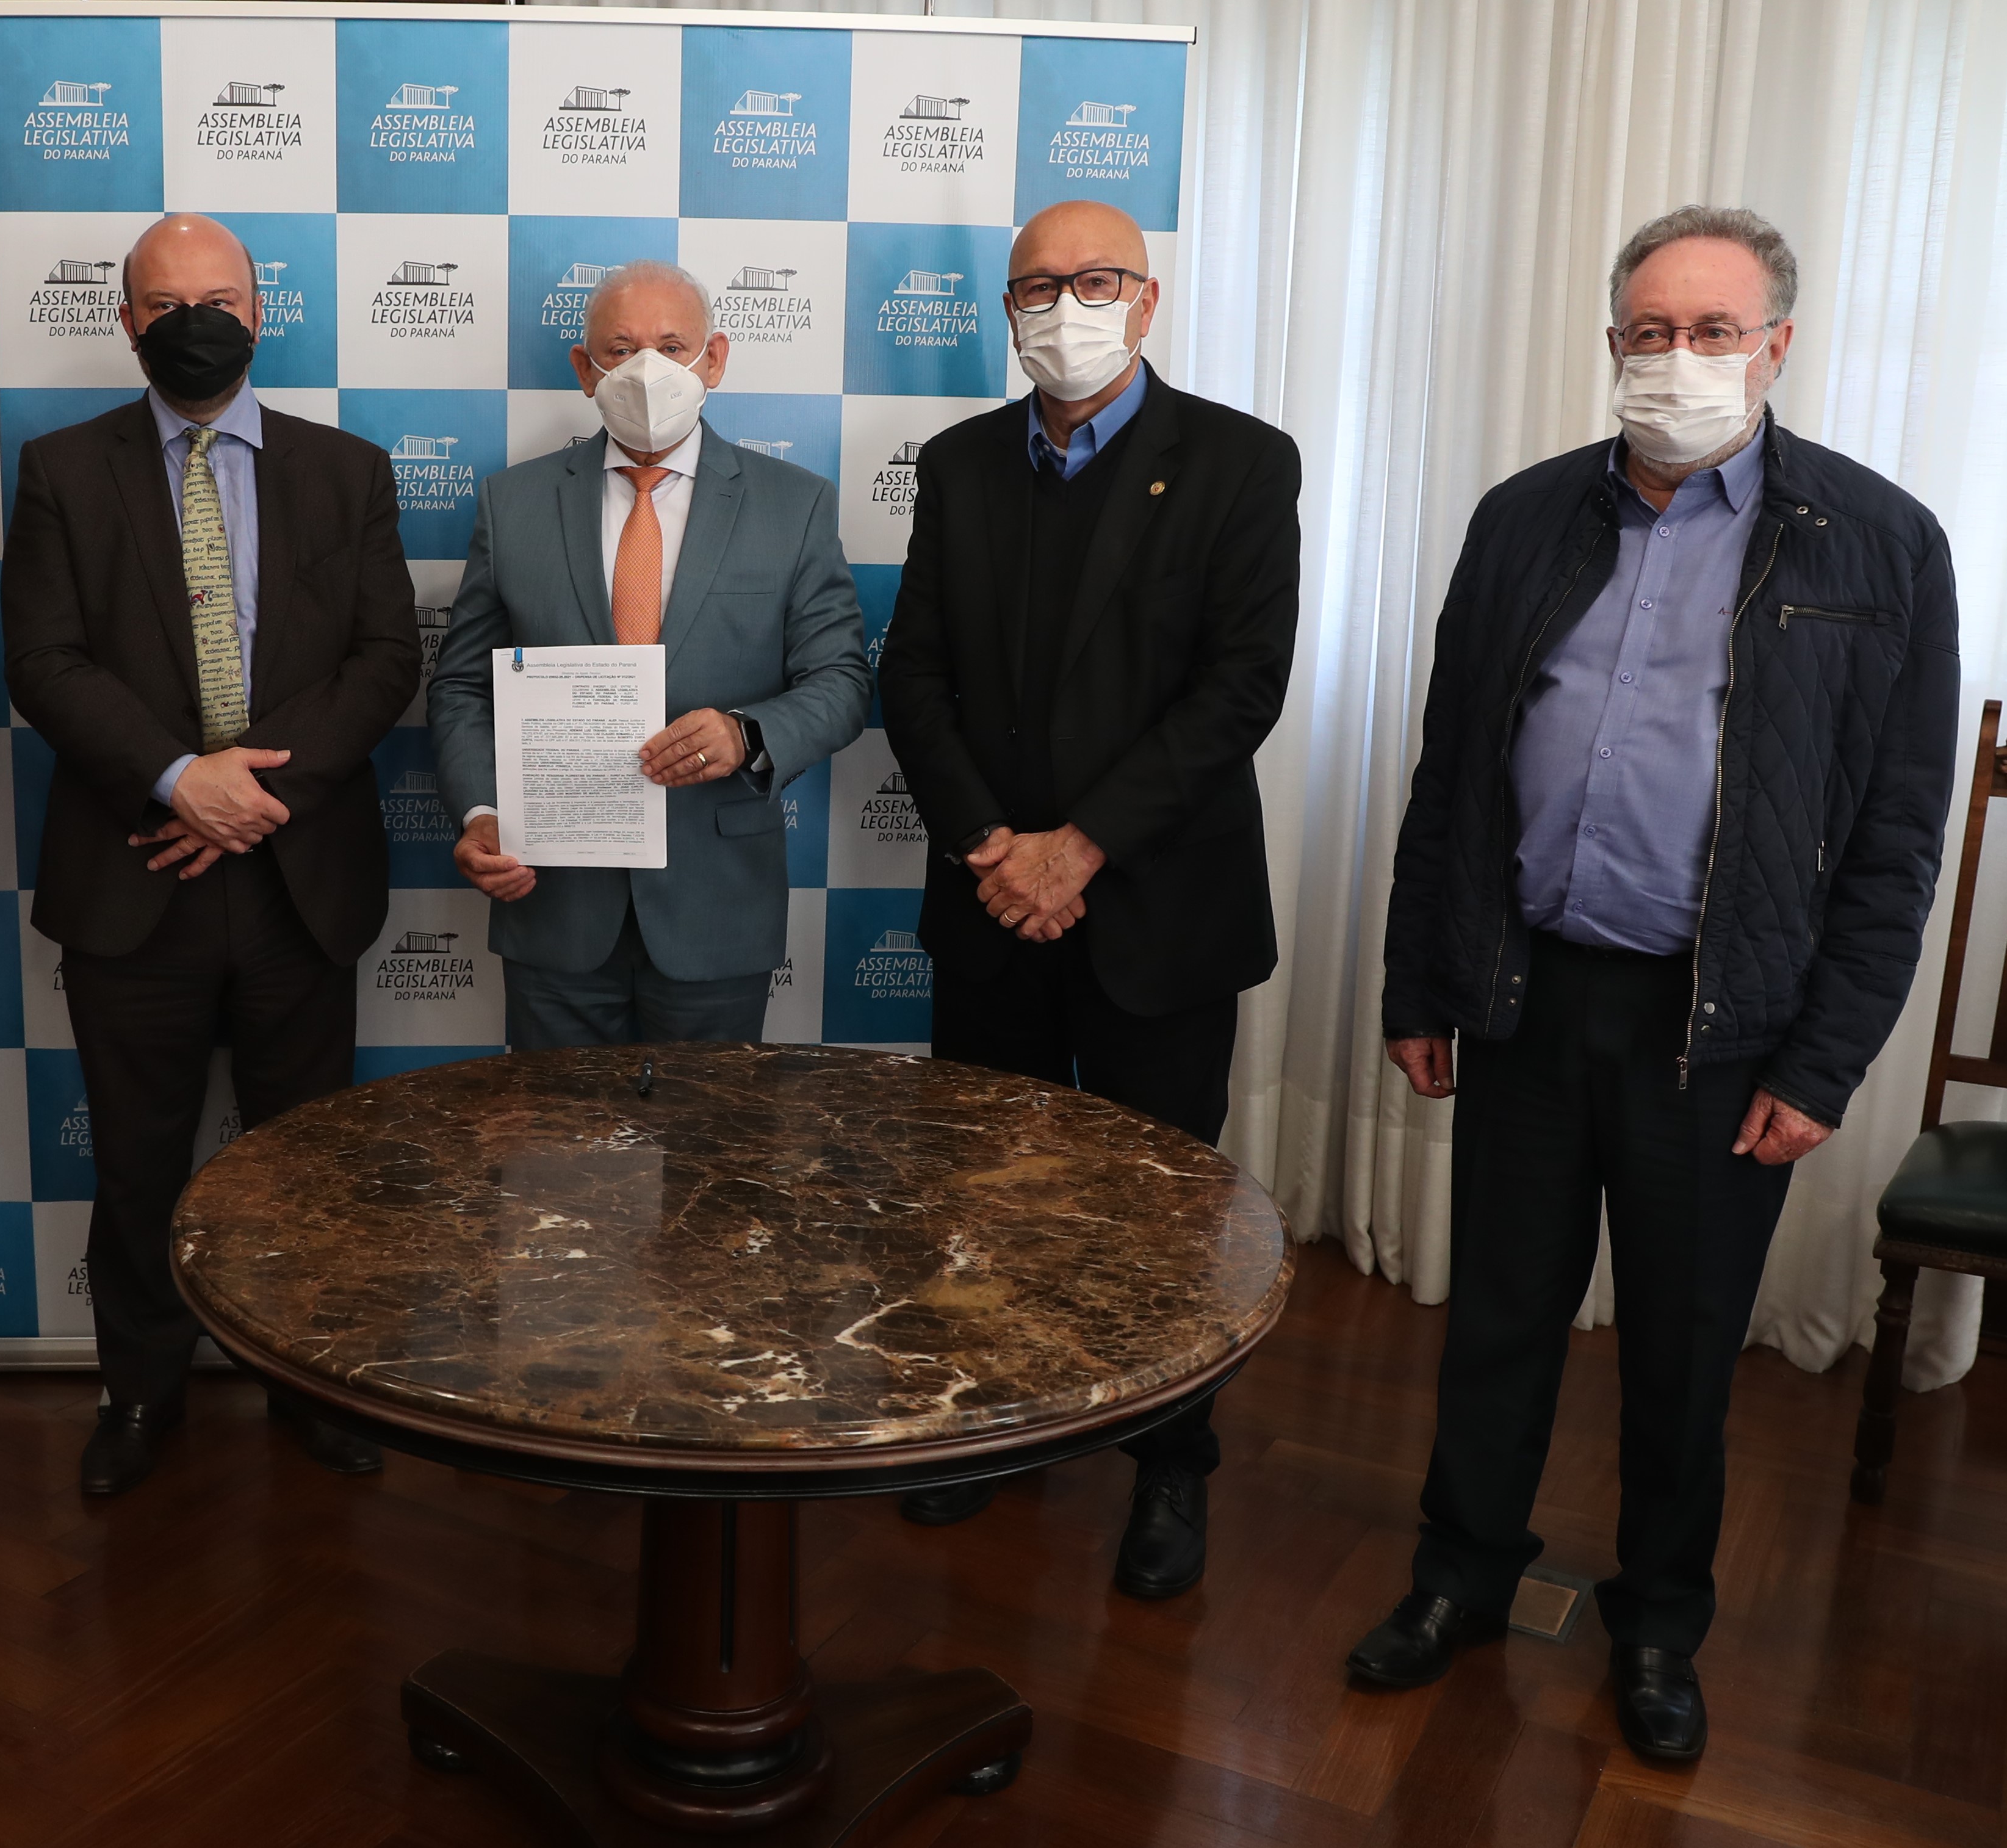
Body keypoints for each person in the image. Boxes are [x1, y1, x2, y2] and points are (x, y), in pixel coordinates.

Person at [1358, 205, 1957, 1762]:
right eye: (1648, 329)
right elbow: (1450, 774)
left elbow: (1896, 836)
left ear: (1775, 346)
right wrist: (1417, 981)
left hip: (1723, 1023)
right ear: (1611, 340)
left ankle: (1657, 1625)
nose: (1675, 357)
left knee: (1684, 1351)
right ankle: (1459, 1574)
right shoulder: (1522, 518)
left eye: (1711, 331)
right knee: (1497, 1316)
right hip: (1527, 991)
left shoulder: (1880, 541)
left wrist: (1822, 1063)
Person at [879, 199, 1302, 1596]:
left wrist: (1083, 848)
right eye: (1036, 286)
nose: (1065, 306)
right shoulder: (958, 464)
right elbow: (913, 676)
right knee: (984, 1184)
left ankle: (1168, 1461)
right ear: (1006, 311)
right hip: (990, 902)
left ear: (1147, 297)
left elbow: (1237, 688)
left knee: (1160, 1211)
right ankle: (991, 1420)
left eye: (1095, 279)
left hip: (1159, 912)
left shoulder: (1241, 461)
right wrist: (994, 847)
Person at [4, 213, 418, 1496]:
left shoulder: (346, 470)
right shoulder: (62, 470)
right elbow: (43, 661)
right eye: (168, 303)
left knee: (306, 1164)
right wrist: (183, 779)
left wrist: (252, 791)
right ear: (127, 321)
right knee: (138, 1162)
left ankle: (309, 1385)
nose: (198, 322)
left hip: (301, 876)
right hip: (133, 872)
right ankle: (140, 1391)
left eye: (221, 300)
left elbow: (385, 660)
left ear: (260, 312)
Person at [430, 262, 868, 1044]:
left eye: (671, 347)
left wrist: (747, 733)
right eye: (621, 349)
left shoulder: (795, 504)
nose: (646, 369)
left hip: (717, 908)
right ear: (585, 369)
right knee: (554, 1128)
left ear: (714, 358)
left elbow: (840, 681)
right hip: (551, 904)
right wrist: (481, 811)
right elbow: (462, 686)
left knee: (709, 1126)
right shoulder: (513, 502)